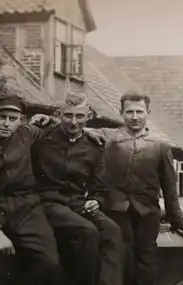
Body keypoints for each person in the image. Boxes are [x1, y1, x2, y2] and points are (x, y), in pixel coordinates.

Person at [33, 91, 183, 285]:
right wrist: (48, 120)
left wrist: (178, 221)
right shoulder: (107, 136)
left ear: (148, 113)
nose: (135, 117)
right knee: (118, 258)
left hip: (147, 214)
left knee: (147, 263)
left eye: (139, 112)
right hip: (116, 210)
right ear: (121, 113)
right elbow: (75, 127)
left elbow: (169, 187)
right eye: (129, 112)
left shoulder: (160, 145)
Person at [30, 92, 124, 285]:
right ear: (59, 114)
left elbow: (98, 186)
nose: (74, 122)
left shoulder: (94, 146)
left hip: (78, 203)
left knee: (112, 231)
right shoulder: (42, 138)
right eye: (68, 115)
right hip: (49, 202)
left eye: (79, 116)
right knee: (87, 232)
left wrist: (95, 201)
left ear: (88, 116)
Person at [0, 94, 63, 285]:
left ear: (21, 120)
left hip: (28, 208)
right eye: (1, 117)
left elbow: (60, 127)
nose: (7, 124)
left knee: (50, 264)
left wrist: (50, 118)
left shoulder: (26, 133)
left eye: (13, 119)